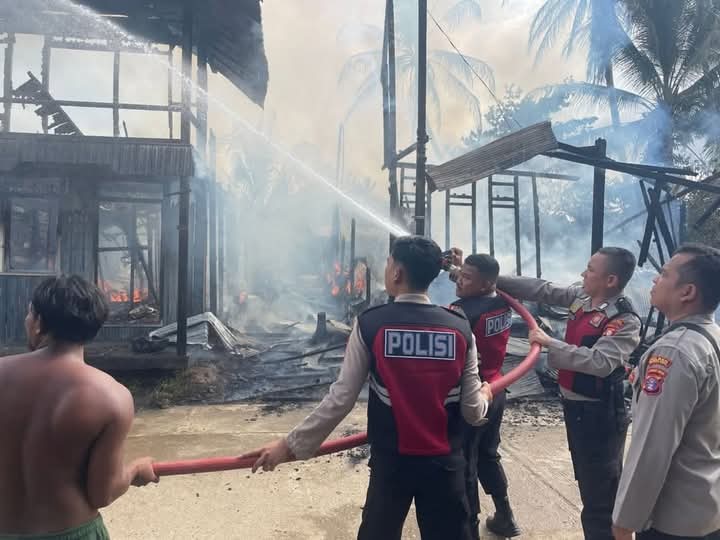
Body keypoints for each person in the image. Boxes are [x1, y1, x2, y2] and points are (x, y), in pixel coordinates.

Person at [243, 235, 492, 540]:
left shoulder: (371, 324)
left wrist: (288, 446)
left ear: (397, 273)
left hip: (392, 467)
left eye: (388, 263)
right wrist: (485, 395)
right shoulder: (460, 328)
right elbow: (472, 411)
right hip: (445, 468)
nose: (386, 269)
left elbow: (341, 398)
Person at [452, 247, 641, 540]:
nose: (583, 273)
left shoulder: (623, 319)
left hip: (599, 413)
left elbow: (600, 362)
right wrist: (483, 276)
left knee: (599, 496)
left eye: (591, 269)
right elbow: (541, 289)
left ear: (611, 280)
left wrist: (550, 342)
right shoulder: (583, 296)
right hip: (577, 408)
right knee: (589, 484)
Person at [0, 275, 158, 539]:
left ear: (38, 322)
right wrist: (134, 470)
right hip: (73, 531)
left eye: (29, 313)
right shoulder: (112, 397)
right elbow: (102, 493)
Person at [612, 244, 720, 540]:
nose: (655, 279)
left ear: (687, 292)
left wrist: (625, 521)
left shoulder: (674, 352)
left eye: (664, 273)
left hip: (674, 521)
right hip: (707, 506)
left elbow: (652, 447)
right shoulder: (712, 337)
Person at [448, 253, 520, 538]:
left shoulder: (461, 312)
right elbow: (471, 284)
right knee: (488, 454)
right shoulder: (502, 301)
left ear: (486, 283)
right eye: (461, 274)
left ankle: (470, 527)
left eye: (466, 277)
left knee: (465, 460)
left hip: (473, 394)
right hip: (496, 388)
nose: (460, 280)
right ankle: (505, 515)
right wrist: (452, 266)